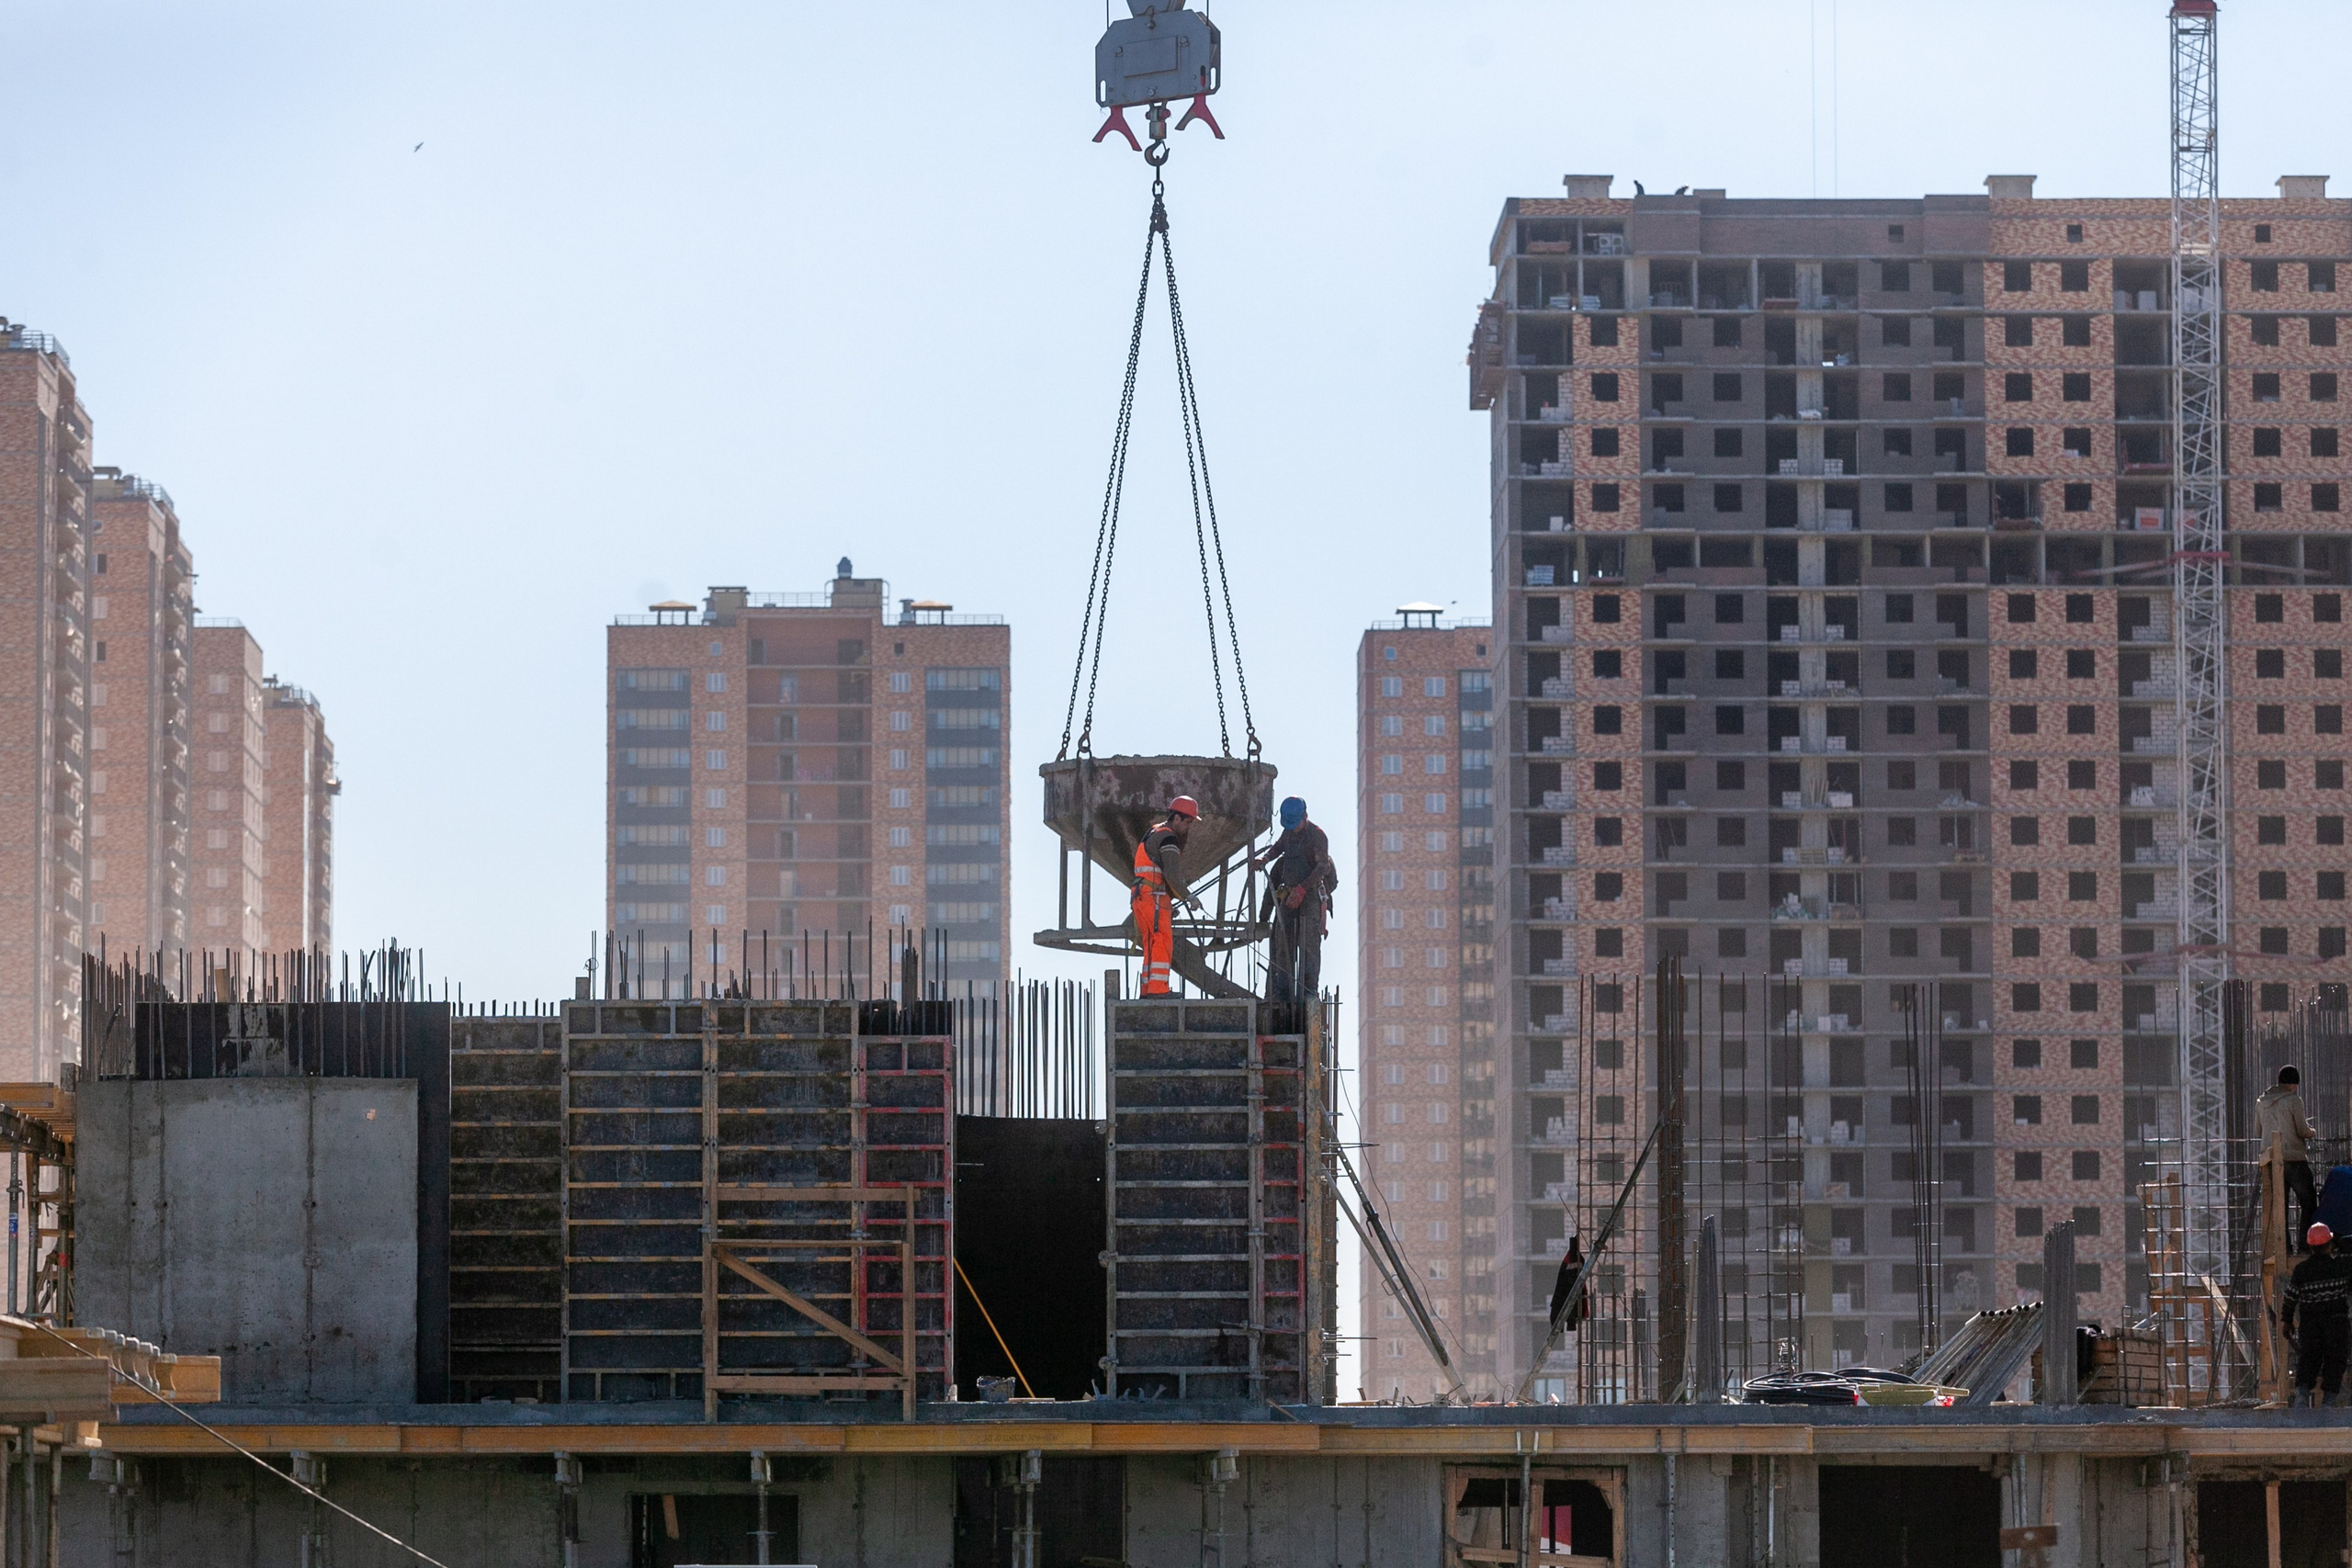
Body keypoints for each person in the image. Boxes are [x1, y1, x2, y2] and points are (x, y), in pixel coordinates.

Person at [1253, 795, 1337, 1028]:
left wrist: (1301, 889)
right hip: (1289, 896)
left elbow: (1323, 867)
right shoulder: (1289, 833)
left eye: (1296, 824)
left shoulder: (1317, 836)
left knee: (1310, 947)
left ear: (1305, 817)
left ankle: (1310, 992)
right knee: (1283, 945)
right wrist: (1264, 858)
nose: (1293, 830)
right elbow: (1279, 847)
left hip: (1309, 895)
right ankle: (1282, 992)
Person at [1131, 796, 1199, 998]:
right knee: (1162, 941)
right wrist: (1190, 897)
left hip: (1142, 896)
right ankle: (1159, 989)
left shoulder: (1155, 831)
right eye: (1188, 822)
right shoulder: (1169, 838)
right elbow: (1172, 876)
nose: (1189, 828)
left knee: (1151, 943)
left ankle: (1148, 989)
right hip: (1153, 897)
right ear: (1177, 818)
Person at [2284, 1221, 2352, 1407]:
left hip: (2310, 1323)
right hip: (2336, 1323)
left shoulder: (2302, 1271)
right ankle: (2329, 1402)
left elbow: (2290, 1298)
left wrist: (2286, 1321)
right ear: (2330, 1245)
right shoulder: (2341, 1267)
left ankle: (2301, 1397)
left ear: (2310, 1246)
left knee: (2309, 1358)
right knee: (2336, 1359)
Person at [2257, 1065, 2321, 1253]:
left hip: (2270, 1161)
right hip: (2293, 1159)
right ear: (2293, 1085)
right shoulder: (2294, 1100)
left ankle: (2283, 1247)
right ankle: (2304, 1245)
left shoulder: (2261, 1102)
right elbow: (2302, 1131)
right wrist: (2312, 1131)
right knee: (2308, 1201)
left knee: (2279, 1205)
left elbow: (2258, 1131)